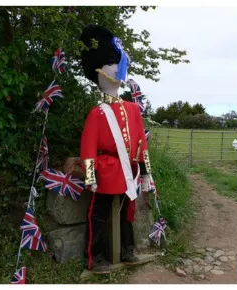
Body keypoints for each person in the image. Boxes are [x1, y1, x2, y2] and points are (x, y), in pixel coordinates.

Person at [78, 25, 154, 274]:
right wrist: (90, 177)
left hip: (128, 170)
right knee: (98, 215)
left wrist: (145, 173)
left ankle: (127, 250)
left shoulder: (132, 109)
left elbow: (141, 143)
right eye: (111, 63)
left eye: (117, 62)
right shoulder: (96, 113)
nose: (117, 67)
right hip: (106, 171)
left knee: (126, 211)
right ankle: (96, 256)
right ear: (100, 70)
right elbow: (88, 147)